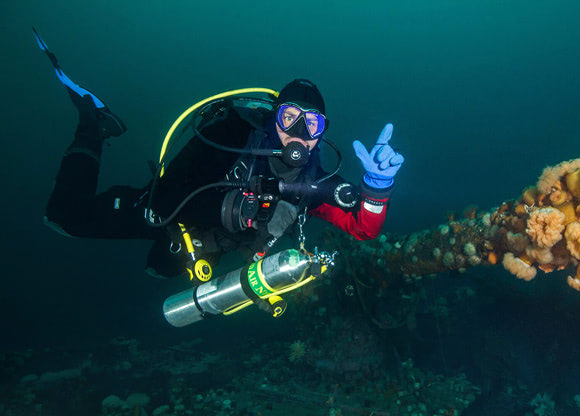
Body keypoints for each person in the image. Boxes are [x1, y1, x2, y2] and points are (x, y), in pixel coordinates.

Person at [38, 31, 404, 280]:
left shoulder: (313, 182)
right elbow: (167, 195)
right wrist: (235, 208)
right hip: (164, 217)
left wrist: (376, 189)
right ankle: (93, 122)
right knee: (64, 217)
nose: (298, 134)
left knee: (161, 269)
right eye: (289, 118)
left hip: (204, 249)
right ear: (272, 118)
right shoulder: (231, 133)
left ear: (322, 132)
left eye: (312, 124)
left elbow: (362, 228)